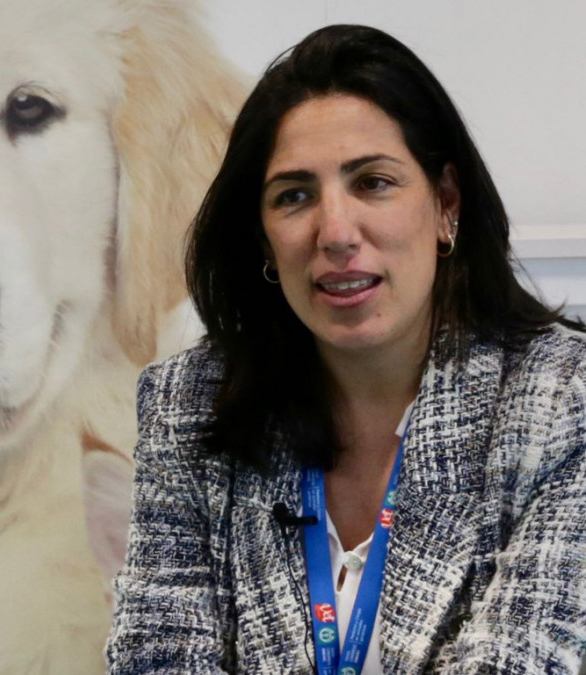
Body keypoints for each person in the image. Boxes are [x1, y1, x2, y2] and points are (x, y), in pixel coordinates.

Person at [105, 24, 586, 674]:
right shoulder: (187, 404)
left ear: (445, 204)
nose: (334, 231)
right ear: (263, 238)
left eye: (373, 183)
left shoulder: (565, 405)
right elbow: (155, 659)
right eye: (295, 195)